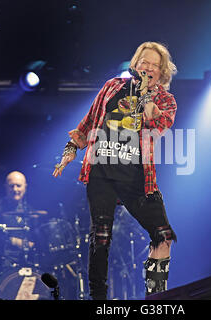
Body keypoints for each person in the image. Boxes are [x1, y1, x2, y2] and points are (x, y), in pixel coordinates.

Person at [53, 41, 178, 299]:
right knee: (101, 237)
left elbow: (154, 119)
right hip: (102, 173)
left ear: (162, 71)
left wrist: (144, 92)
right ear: (136, 63)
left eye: (154, 65)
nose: (148, 68)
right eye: (144, 62)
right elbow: (87, 122)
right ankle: (98, 298)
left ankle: (156, 297)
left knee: (163, 236)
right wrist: (68, 152)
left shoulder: (166, 100)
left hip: (137, 178)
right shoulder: (112, 86)